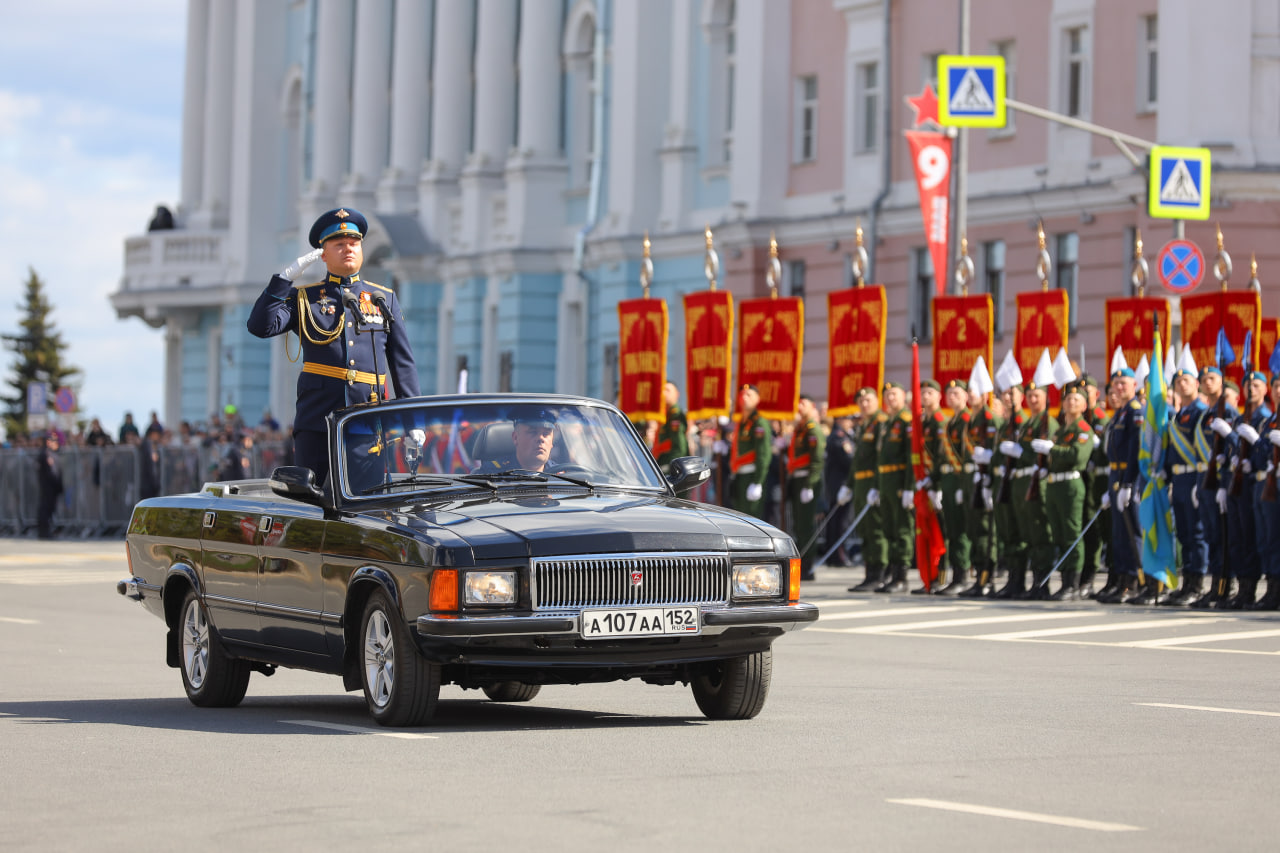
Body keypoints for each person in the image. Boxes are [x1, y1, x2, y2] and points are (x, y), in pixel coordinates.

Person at [247, 207, 421, 486]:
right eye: (339, 245)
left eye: (354, 243)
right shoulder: (305, 298)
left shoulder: (382, 299)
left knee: (366, 502)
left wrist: (414, 421)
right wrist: (283, 280)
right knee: (310, 503)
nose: (348, 249)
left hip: (366, 421)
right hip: (317, 422)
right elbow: (260, 326)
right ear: (323, 254)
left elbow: (403, 364)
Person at [1161, 360, 1208, 606]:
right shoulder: (1179, 414)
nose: (1181, 384)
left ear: (1196, 384)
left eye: (1186, 380)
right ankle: (1187, 581)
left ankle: (1197, 584)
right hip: (1179, 478)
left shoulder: (1201, 412)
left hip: (1193, 476)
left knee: (1196, 532)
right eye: (1178, 381)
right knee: (1184, 533)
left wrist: (1200, 483)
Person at [1191, 366, 1239, 609]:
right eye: (1204, 379)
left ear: (1221, 383)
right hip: (1205, 480)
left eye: (1212, 379)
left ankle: (1224, 587)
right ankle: (1214, 586)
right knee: (1211, 534)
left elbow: (1232, 446)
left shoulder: (1227, 411)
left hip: (1220, 480)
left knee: (1222, 536)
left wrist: (1223, 483)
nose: (1207, 383)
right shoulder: (1206, 414)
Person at [1041, 382, 1094, 600]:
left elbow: (1077, 457)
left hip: (1071, 484)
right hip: (1055, 484)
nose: (1071, 402)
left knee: (1072, 533)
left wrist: (1052, 449)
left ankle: (1073, 583)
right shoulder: (1061, 430)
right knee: (1059, 534)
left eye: (1076, 399)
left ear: (1084, 406)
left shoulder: (1083, 429)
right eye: (1067, 399)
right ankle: (1064, 581)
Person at [1098, 368, 1145, 604]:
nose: (1119, 388)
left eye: (1123, 383)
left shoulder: (1135, 412)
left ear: (1134, 385)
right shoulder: (1120, 413)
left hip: (1129, 476)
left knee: (1131, 532)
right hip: (1116, 476)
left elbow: (1136, 450)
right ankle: (1122, 581)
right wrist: (1112, 486)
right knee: (1119, 534)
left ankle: (1134, 581)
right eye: (1116, 384)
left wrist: (1127, 483)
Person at [839, 387, 889, 592]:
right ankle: (869, 573)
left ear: (876, 401)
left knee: (876, 529)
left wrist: (877, 486)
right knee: (865, 531)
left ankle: (880, 574)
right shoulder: (863, 425)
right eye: (861, 401)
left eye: (868, 399)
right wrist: (848, 486)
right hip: (860, 483)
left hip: (872, 482)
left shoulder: (881, 423)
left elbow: (880, 458)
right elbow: (856, 462)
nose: (864, 404)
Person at [874, 381, 915, 593]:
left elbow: (910, 457)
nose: (890, 399)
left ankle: (902, 576)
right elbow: (880, 458)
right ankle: (891, 574)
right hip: (886, 482)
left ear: (904, 396)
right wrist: (876, 486)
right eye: (887, 395)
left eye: (894, 394)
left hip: (899, 482)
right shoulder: (888, 422)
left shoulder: (906, 420)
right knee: (889, 529)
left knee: (902, 530)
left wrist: (909, 486)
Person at [991, 382, 1028, 598]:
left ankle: (1019, 580)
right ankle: (1012, 579)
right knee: (1007, 533)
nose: (1007, 397)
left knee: (1017, 533)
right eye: (1005, 393)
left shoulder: (1021, 421)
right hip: (1002, 482)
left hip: (1016, 482)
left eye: (1012, 393)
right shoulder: (1006, 424)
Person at [787, 395, 826, 581]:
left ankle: (808, 566)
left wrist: (810, 485)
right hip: (797, 480)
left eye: (803, 403)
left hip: (806, 481)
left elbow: (817, 460)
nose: (799, 406)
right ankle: (803, 564)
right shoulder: (801, 428)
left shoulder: (812, 429)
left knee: (806, 526)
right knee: (799, 525)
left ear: (812, 406)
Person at [729, 384, 771, 519]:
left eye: (749, 395)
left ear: (757, 399)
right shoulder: (741, 423)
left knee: (751, 519)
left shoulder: (759, 423)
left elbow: (763, 455)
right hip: (740, 476)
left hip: (752, 476)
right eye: (742, 395)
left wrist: (757, 482)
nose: (744, 398)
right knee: (740, 518)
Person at [822, 414, 856, 566]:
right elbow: (849, 459)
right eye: (848, 419)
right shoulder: (839, 437)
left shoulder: (844, 435)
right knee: (840, 522)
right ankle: (838, 555)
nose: (851, 422)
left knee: (838, 521)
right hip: (840, 485)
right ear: (840, 420)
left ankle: (836, 555)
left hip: (841, 485)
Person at [489, 408, 558, 472]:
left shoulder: (562, 475)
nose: (540, 438)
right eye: (533, 432)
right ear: (515, 438)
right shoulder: (492, 474)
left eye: (546, 433)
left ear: (552, 441)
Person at [652, 381, 689, 469]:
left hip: (671, 464)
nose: (664, 393)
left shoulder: (676, 415)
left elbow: (679, 445)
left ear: (677, 394)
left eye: (668, 390)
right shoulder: (664, 414)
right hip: (662, 462)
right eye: (663, 390)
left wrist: (675, 466)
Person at [35, 432, 64, 539]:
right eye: (54, 441)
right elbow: (50, 473)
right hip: (48, 487)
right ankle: (43, 532)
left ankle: (46, 531)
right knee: (45, 509)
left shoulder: (51, 454)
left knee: (49, 509)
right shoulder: (45, 454)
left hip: (52, 488)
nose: (56, 443)